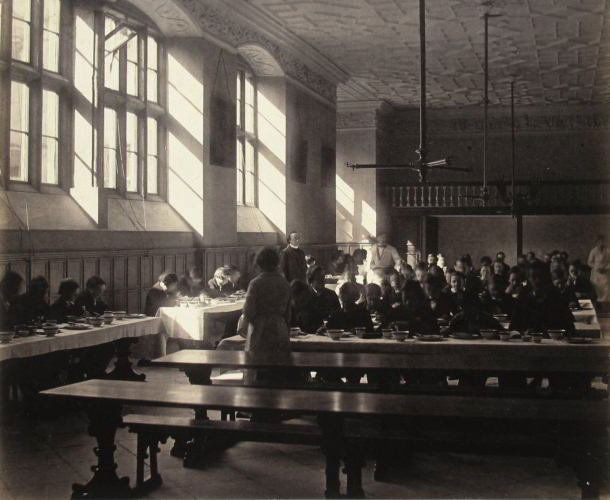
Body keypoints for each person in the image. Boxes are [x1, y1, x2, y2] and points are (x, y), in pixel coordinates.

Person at [510, 261, 575, 336]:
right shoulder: (523, 295)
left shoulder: (555, 295)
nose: (537, 280)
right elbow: (513, 329)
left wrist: (547, 333)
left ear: (546, 277)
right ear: (528, 278)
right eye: (533, 277)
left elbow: (570, 328)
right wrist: (523, 333)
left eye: (540, 276)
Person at [587, 235, 609, 302]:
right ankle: (599, 303)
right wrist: (596, 268)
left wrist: (606, 268)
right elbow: (589, 262)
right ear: (596, 242)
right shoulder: (593, 251)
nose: (601, 243)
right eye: (599, 241)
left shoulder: (608, 251)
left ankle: (605, 304)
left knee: (606, 289)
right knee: (597, 289)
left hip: (605, 272)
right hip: (596, 273)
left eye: (602, 241)